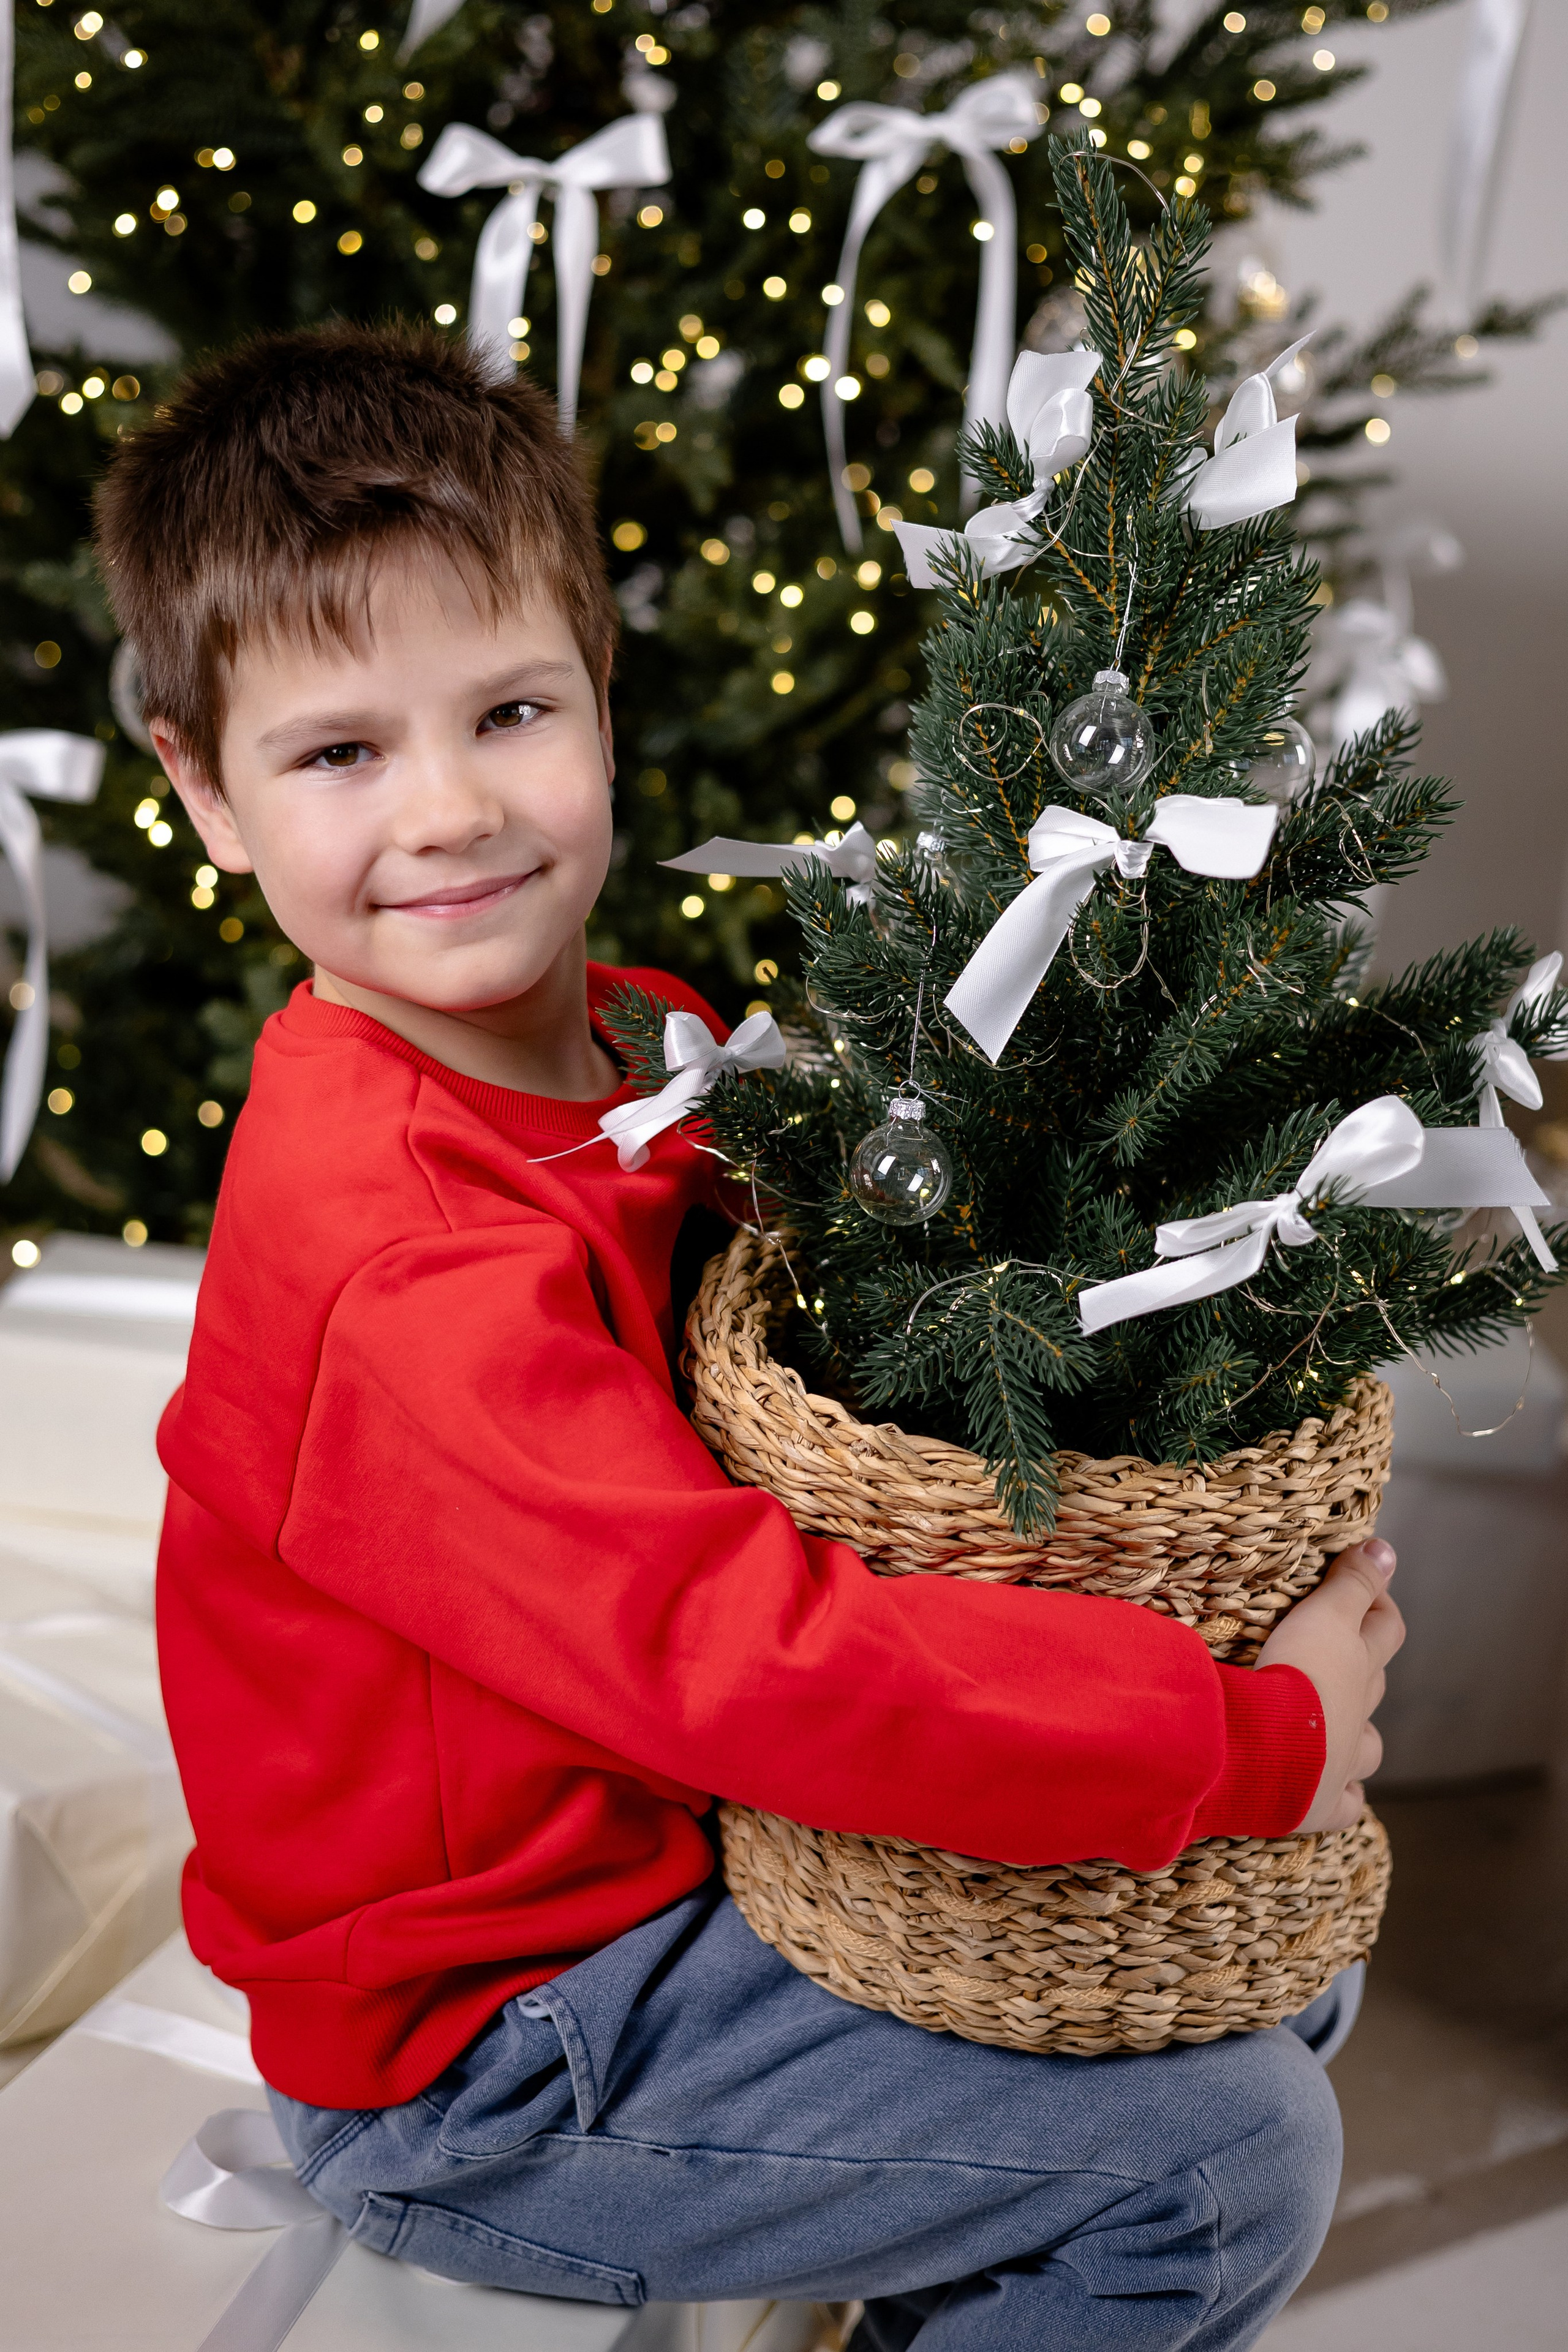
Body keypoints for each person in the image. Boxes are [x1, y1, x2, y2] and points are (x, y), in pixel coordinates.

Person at [97, 322, 1403, 2351]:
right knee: (1227, 2157)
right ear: (205, 792)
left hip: (687, 1878)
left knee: (1246, 1968)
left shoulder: (648, 1041)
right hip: (495, 2053)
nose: (446, 811)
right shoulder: (398, 1250)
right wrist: (1243, 1737)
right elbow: (744, 1650)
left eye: (510, 711)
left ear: (602, 706)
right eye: (340, 752)